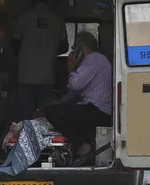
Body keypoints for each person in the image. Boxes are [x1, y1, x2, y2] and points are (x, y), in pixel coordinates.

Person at [44, 31, 112, 166]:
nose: (72, 53)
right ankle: (81, 147)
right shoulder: (91, 62)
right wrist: (55, 103)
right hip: (91, 108)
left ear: (81, 48)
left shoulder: (93, 59)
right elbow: (73, 95)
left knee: (53, 113)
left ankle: (82, 145)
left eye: (74, 48)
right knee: (54, 110)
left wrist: (71, 68)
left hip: (97, 110)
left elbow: (75, 84)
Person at [12, 0, 68, 118]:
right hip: (47, 75)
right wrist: (50, 51)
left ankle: (24, 136)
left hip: (25, 74)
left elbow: (14, 42)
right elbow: (64, 46)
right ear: (48, 0)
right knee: (46, 113)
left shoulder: (24, 18)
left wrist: (23, 54)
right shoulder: (57, 20)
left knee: (24, 114)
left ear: (31, 0)